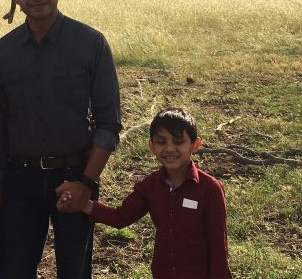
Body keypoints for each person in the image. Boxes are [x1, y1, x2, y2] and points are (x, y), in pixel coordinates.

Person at [0, 0, 122, 278]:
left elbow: (108, 123)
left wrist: (86, 183)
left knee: (74, 272)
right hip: (20, 181)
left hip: (75, 175)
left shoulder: (91, 43)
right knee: (13, 271)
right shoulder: (2, 52)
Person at [57, 107, 232, 279]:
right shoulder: (150, 186)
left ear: (195, 145)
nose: (169, 148)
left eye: (178, 142)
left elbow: (218, 248)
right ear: (152, 146)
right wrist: (82, 203)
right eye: (161, 142)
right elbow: (121, 217)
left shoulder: (210, 190)